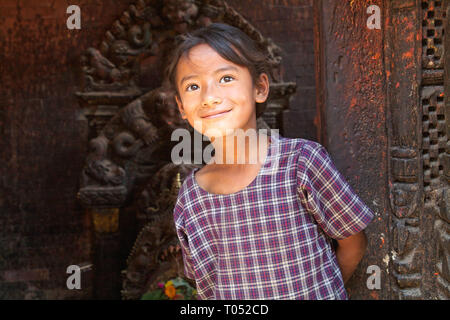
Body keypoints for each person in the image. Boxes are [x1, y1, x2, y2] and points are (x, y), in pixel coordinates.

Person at [164, 23, 374, 300]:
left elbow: (352, 242)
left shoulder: (300, 162)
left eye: (226, 78)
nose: (210, 97)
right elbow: (206, 283)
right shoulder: (190, 198)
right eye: (193, 86)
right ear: (181, 108)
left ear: (260, 88)